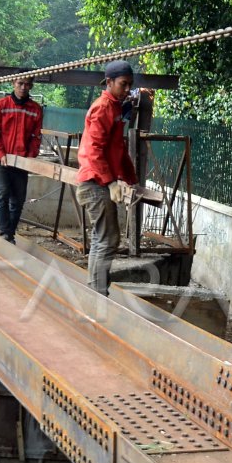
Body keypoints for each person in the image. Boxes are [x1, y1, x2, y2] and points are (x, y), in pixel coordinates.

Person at [76, 60, 138, 295]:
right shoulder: (103, 107)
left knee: (103, 237)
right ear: (109, 82)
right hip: (94, 182)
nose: (126, 90)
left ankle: (96, 290)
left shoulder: (116, 108)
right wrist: (111, 181)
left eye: (130, 85)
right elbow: (94, 150)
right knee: (108, 239)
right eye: (123, 84)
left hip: (99, 181)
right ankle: (97, 294)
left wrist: (131, 180)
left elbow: (118, 149)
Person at [0, 77, 43, 243]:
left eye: (27, 84)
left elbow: (36, 137)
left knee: (18, 200)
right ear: (13, 84)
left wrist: (30, 156)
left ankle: (10, 234)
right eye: (20, 84)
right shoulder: (1, 105)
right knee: (2, 193)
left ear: (31, 86)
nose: (24, 87)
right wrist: (0, 153)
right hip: (1, 159)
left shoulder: (35, 109)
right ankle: (5, 233)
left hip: (21, 161)